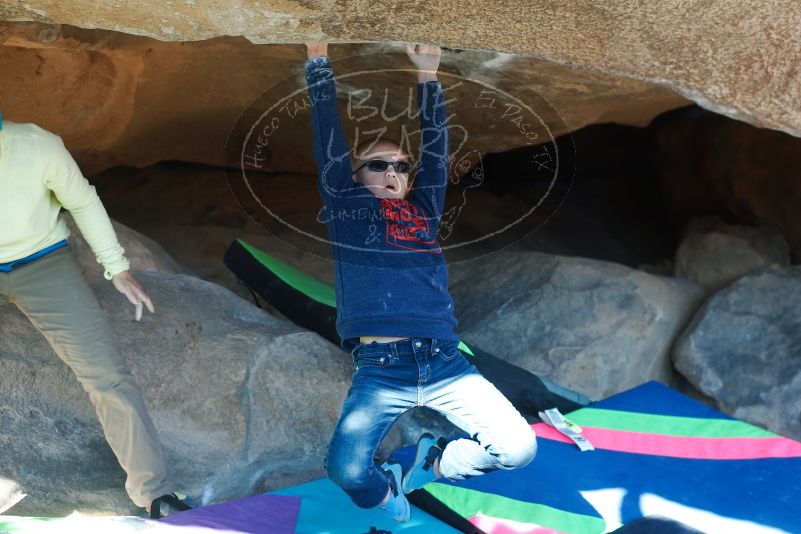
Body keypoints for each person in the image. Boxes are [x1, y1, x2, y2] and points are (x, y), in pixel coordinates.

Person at [303, 43, 537, 522]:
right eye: (377, 164)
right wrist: (317, 59)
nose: (392, 172)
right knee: (346, 472)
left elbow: (437, 149)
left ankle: (439, 460)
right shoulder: (348, 210)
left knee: (518, 449)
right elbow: (326, 135)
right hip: (381, 370)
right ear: (352, 177)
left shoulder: (423, 211)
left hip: (444, 362)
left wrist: (428, 73)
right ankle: (385, 490)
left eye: (401, 167)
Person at [0, 117, 191, 518]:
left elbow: (82, 201)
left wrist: (116, 267)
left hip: (42, 264)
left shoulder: (37, 145)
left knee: (106, 374)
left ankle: (155, 493)